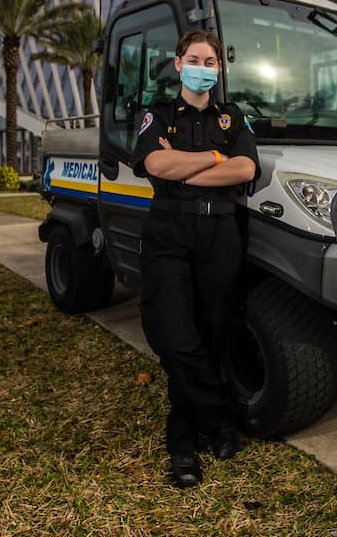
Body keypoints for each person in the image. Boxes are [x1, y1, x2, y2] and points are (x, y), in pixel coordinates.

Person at [132, 30, 260, 489]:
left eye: (210, 61)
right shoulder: (159, 114)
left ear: (219, 69)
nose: (202, 66)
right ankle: (221, 418)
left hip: (221, 235)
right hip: (169, 234)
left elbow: (245, 169)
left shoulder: (233, 116)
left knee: (212, 335)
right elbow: (155, 166)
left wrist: (185, 166)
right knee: (174, 337)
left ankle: (183, 443)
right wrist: (212, 156)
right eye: (194, 58)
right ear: (178, 62)